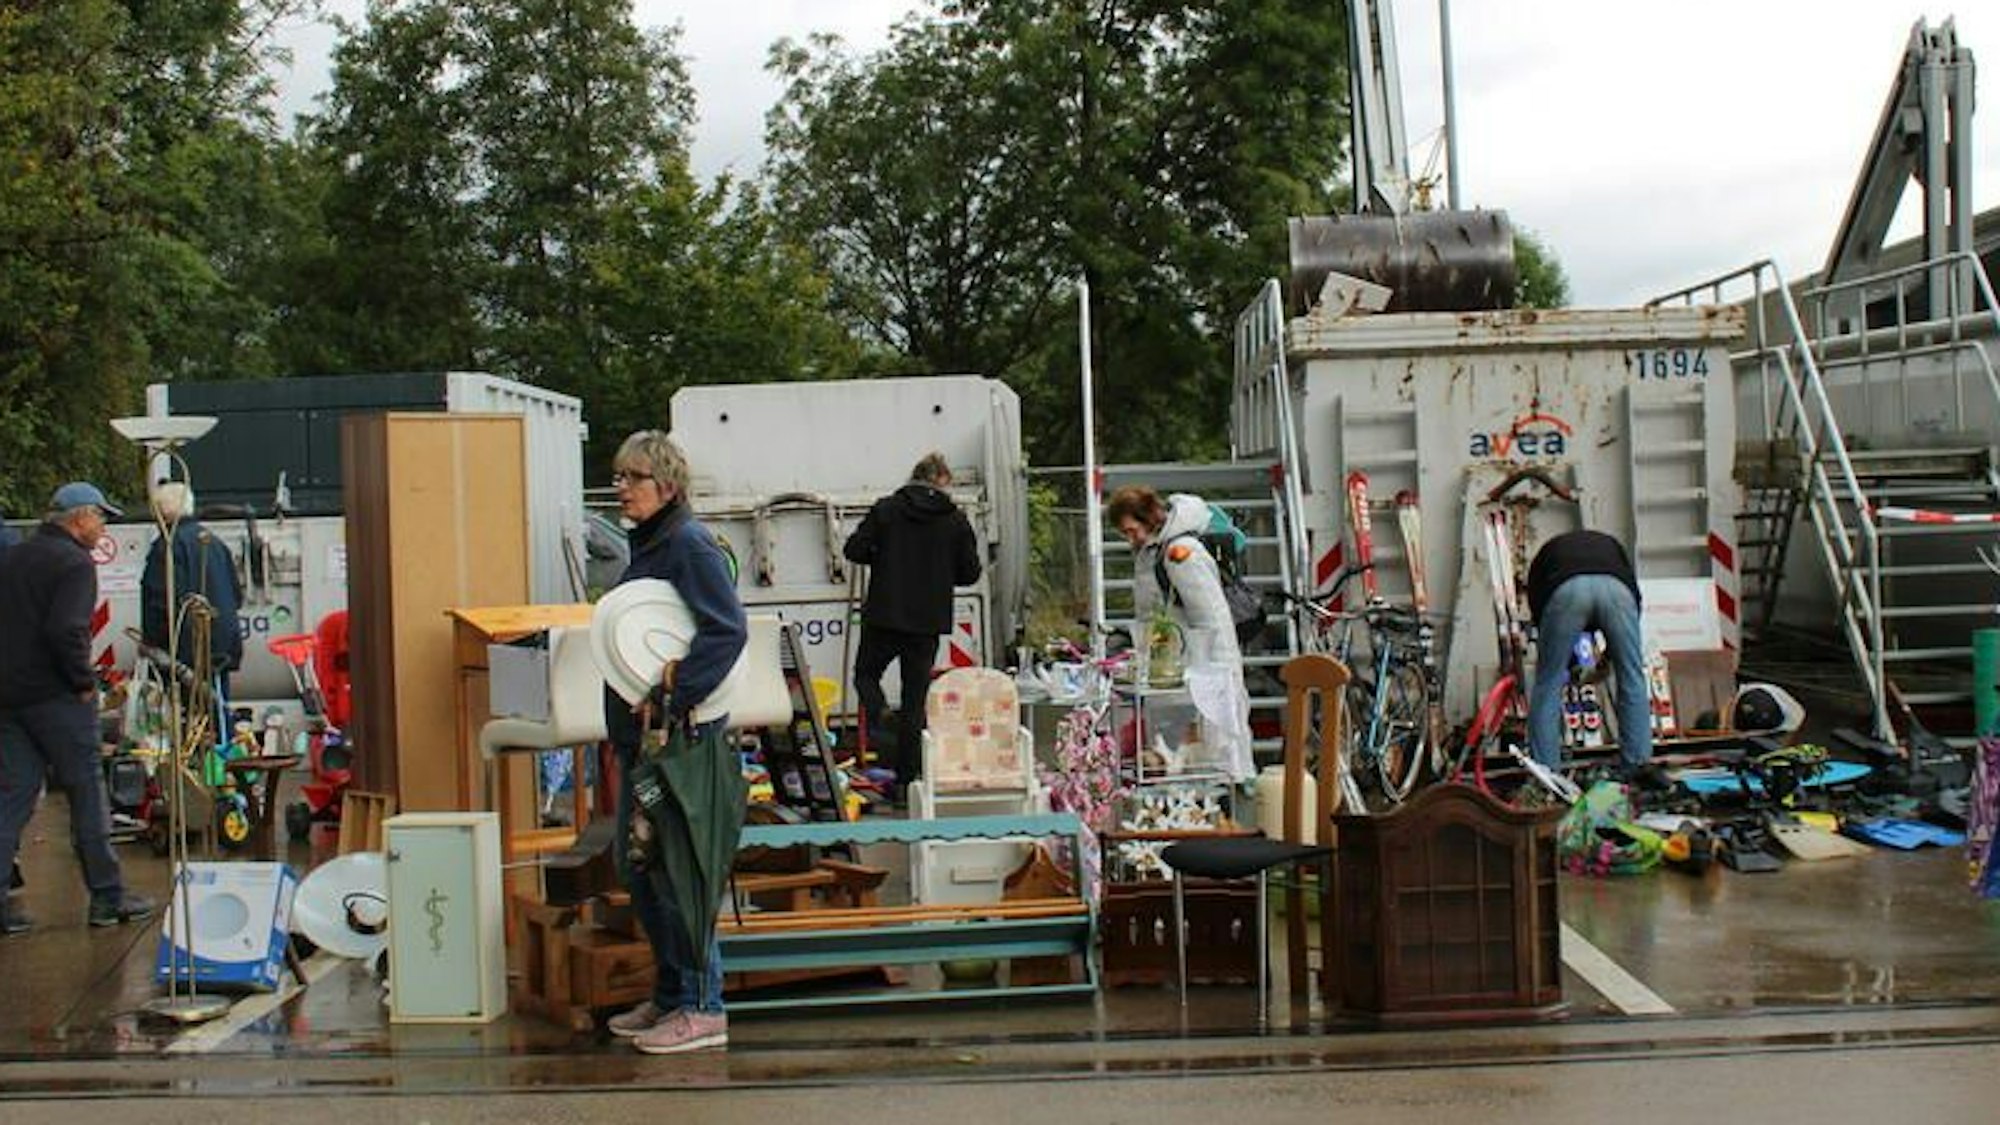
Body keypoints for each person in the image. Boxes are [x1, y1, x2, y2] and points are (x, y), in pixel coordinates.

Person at [601, 431, 746, 1055]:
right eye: (619, 477)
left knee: (680, 872)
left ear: (666, 485)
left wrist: (673, 692)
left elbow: (727, 631)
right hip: (649, 740)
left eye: (632, 478)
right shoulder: (655, 543)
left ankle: (703, 1006)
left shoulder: (688, 544)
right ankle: (672, 995)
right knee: (641, 869)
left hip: (680, 741)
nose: (621, 489)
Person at [0, 482, 158, 936]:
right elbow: (66, 630)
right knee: (86, 793)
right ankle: (108, 897)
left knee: (12, 798)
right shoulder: (74, 564)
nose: (103, 526)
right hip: (57, 699)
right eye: (101, 517)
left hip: (10, 699)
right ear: (80, 518)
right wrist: (83, 682)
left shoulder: (13, 556)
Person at [841, 452, 981, 793]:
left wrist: (883, 558)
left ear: (914, 476)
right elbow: (970, 573)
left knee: (865, 675)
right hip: (927, 622)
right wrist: (940, 571)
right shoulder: (955, 520)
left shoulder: (886, 509)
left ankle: (881, 714)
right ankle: (906, 784)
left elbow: (853, 550)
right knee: (915, 700)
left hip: (884, 615)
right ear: (942, 482)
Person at [1106, 485, 1254, 781]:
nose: (1130, 539)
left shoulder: (1181, 555)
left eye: (1132, 530)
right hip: (1175, 675)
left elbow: (1214, 620)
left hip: (1199, 676)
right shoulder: (1153, 552)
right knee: (1181, 761)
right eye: (1125, 533)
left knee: (1210, 757)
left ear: (1149, 517)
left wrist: (1221, 680)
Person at [1525, 528, 1655, 780]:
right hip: (1618, 591)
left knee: (1548, 684)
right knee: (1632, 678)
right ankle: (1638, 766)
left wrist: (1566, 663)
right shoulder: (1611, 545)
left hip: (1565, 590)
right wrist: (1611, 656)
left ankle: (1546, 775)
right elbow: (1634, 597)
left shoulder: (1547, 556)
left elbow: (1542, 614)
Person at [140, 481, 244, 682]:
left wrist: (151, 645)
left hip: (184, 655)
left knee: (186, 701)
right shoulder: (216, 543)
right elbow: (236, 597)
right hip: (221, 650)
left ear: (160, 513)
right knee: (217, 700)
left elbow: (159, 605)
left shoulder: (166, 548)